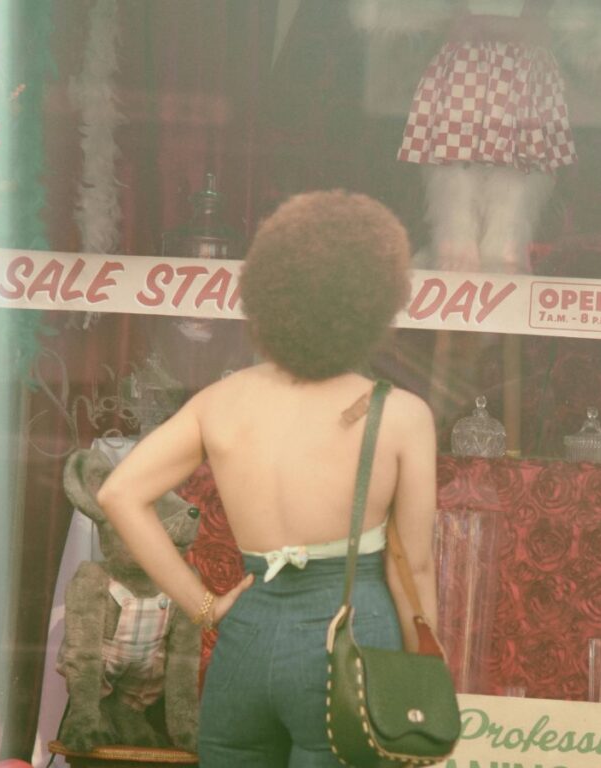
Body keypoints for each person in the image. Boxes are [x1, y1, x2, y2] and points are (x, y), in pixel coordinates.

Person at [98, 189, 439, 767]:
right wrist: (422, 680)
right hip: (350, 640)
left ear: (269, 295)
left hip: (246, 642)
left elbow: (118, 492)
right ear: (374, 303)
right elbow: (416, 565)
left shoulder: (221, 401)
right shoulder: (401, 415)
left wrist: (202, 606)